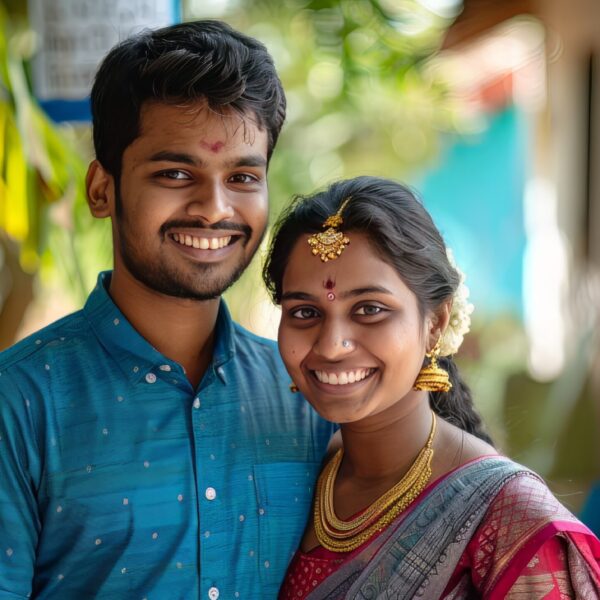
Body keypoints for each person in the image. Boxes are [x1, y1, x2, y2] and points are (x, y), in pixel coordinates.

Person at [0, 21, 335, 598]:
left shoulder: (309, 393)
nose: (213, 208)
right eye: (175, 174)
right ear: (101, 190)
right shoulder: (20, 403)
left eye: (242, 176)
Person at [263, 176, 600, 599]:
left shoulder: (511, 517)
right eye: (305, 311)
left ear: (435, 323)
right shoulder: (293, 474)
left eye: (370, 309)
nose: (331, 346)